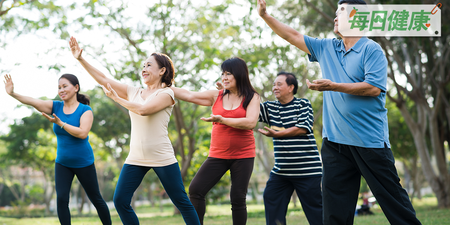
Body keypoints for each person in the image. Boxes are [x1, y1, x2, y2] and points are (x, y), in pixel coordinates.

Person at [257, 0, 422, 224]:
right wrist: (266, 17)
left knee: (393, 201)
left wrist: (333, 86)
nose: (336, 17)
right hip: (335, 143)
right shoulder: (327, 48)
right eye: (335, 12)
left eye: (341, 11)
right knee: (335, 209)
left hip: (369, 142)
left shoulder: (370, 49)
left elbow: (373, 88)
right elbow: (292, 36)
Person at [69, 36, 200, 225]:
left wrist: (117, 99)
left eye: (149, 65)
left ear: (162, 70)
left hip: (161, 156)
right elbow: (104, 79)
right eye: (143, 66)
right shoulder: (134, 92)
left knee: (181, 202)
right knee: (120, 200)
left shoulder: (167, 93)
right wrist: (80, 59)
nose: (144, 69)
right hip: (136, 157)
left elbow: (144, 110)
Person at [3, 73, 111, 225]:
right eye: (59, 87)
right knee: (61, 199)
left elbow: (82, 133)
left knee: (96, 199)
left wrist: (61, 123)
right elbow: (34, 102)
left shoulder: (85, 110)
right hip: (63, 163)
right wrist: (13, 93)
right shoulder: (56, 106)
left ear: (76, 88)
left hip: (84, 162)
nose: (61, 90)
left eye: (65, 86)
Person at [171, 57, 260, 225]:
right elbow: (189, 95)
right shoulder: (216, 95)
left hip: (243, 155)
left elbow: (250, 122)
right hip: (218, 155)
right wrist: (165, 87)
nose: (224, 77)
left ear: (239, 74)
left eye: (228, 73)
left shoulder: (252, 97)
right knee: (196, 190)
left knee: (237, 198)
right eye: (223, 74)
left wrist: (222, 119)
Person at [258, 72, 322, 225]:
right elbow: (247, 111)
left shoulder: (303, 104)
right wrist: (229, 93)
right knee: (271, 198)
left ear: (291, 87)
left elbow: (303, 128)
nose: (275, 88)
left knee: (317, 213)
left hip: (308, 171)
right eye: (274, 85)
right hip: (281, 172)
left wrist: (278, 134)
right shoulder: (269, 107)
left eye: (279, 84)